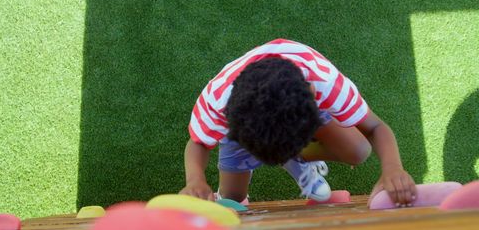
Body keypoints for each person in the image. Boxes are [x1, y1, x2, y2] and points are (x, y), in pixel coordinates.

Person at [179, 38, 417, 207]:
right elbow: (198, 142)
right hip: (251, 121)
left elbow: (376, 127)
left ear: (313, 96)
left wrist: (393, 168)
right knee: (233, 198)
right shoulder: (218, 100)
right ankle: (282, 158)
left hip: (296, 106)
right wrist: (195, 180)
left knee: (358, 150)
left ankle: (294, 158)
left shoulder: (325, 82)